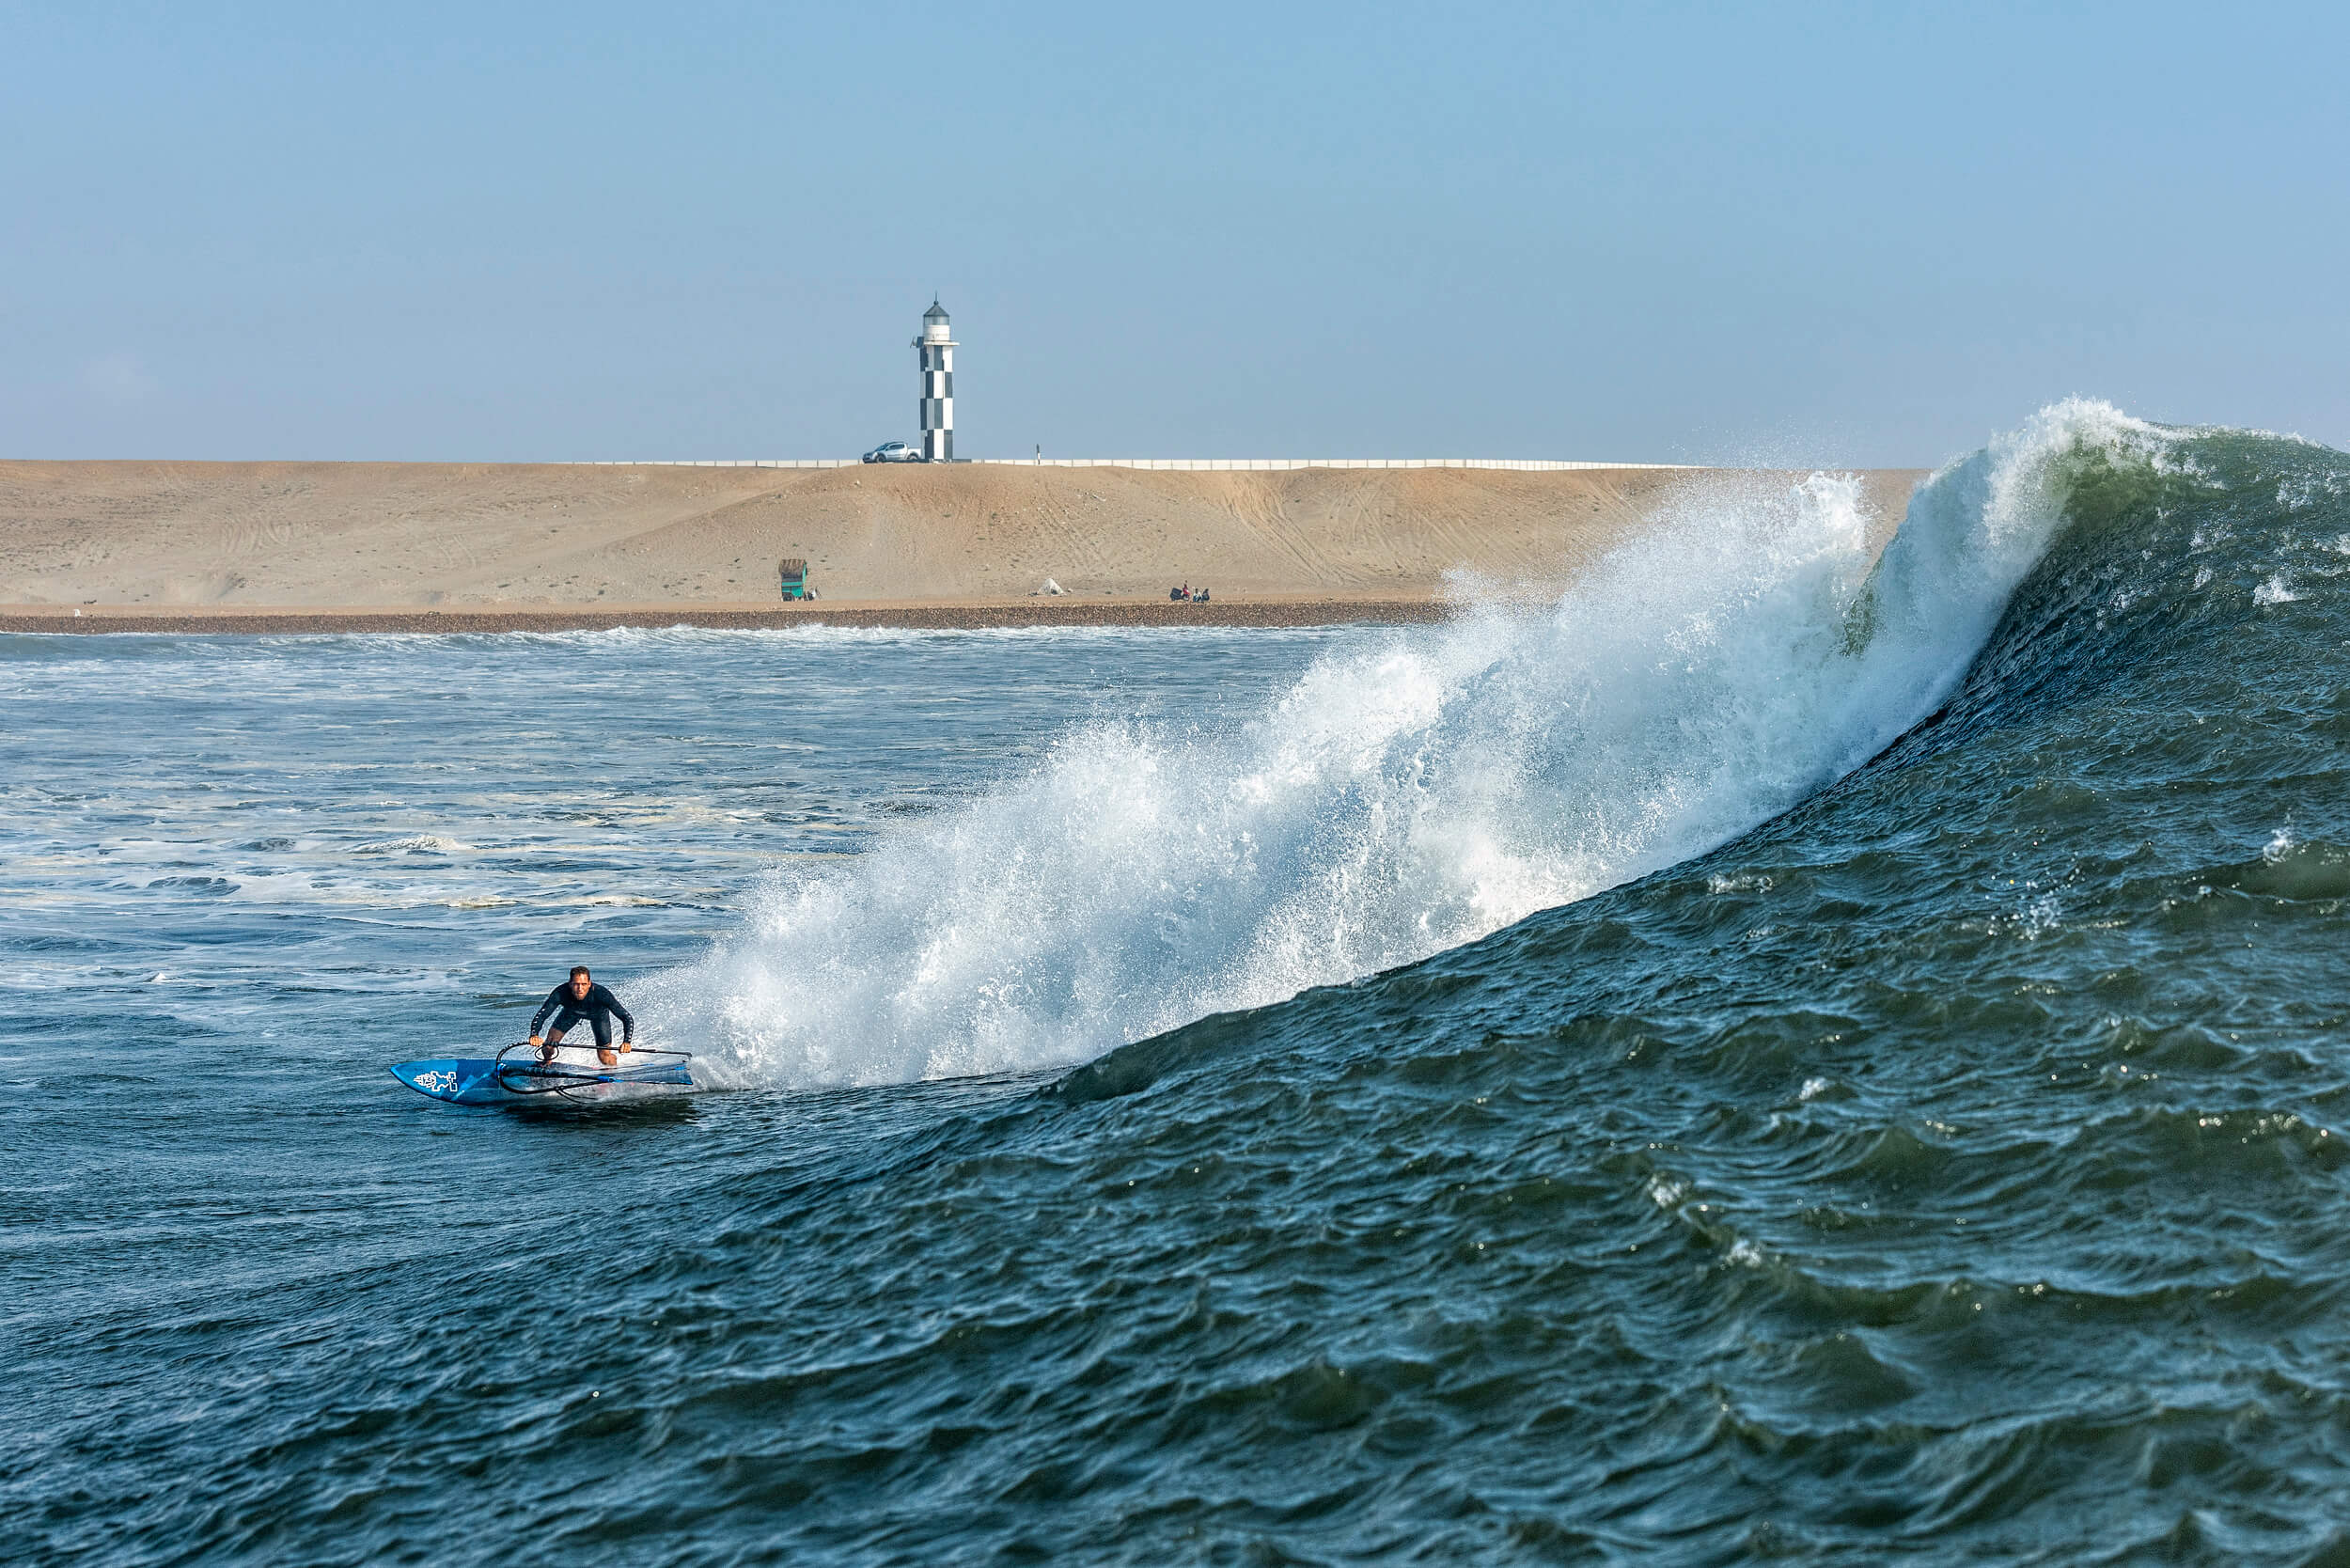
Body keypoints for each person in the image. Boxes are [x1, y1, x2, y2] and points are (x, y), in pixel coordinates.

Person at [528, 965, 635, 1066]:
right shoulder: (560, 992)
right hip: (570, 1014)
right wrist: (534, 1035)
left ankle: (613, 1071)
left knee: (604, 1057)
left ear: (589, 984)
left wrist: (626, 1042)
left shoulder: (602, 994)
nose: (580, 988)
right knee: (548, 1046)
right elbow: (542, 1015)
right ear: (570, 984)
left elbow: (626, 1017)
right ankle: (547, 1063)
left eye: (584, 984)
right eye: (576, 984)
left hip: (598, 1017)